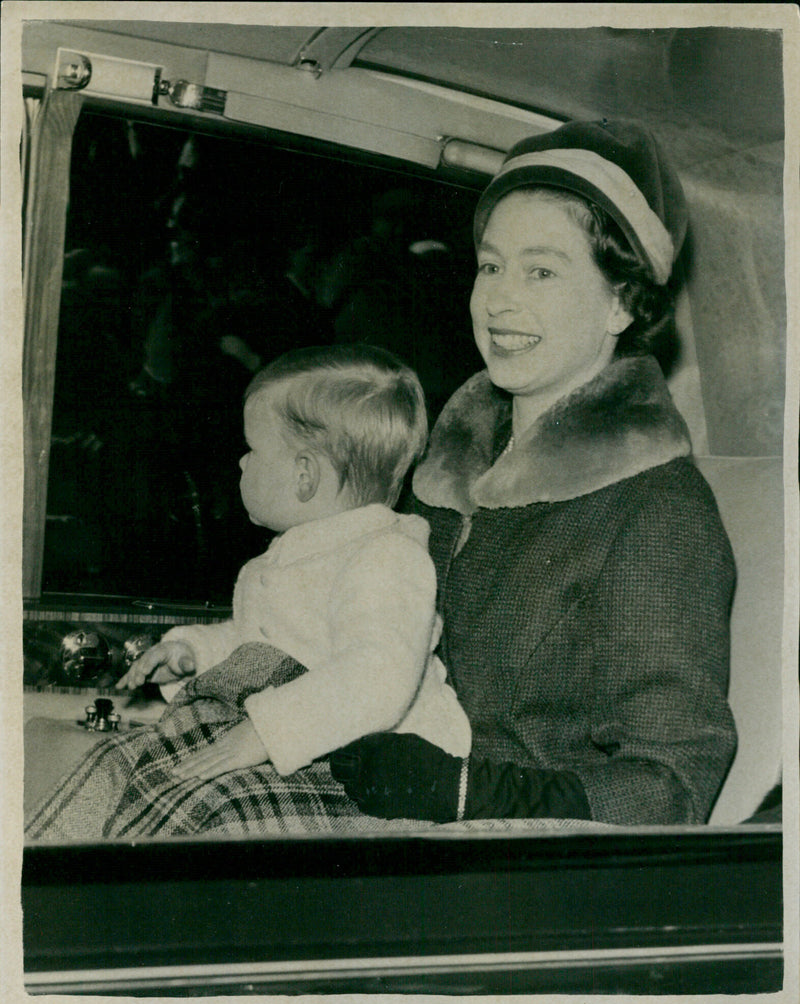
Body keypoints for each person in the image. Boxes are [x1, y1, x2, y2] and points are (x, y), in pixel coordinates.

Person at [329, 120, 738, 826]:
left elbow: (672, 783)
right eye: (490, 266)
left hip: (510, 871)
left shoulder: (656, 508)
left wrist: (470, 792)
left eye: (541, 271)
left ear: (622, 303)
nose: (498, 300)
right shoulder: (441, 477)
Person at [116, 344, 471, 778]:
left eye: (253, 448)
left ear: (305, 475)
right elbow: (272, 645)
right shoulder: (302, 553)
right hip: (312, 751)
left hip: (384, 771)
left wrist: (268, 733)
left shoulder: (387, 556)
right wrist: (195, 652)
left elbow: (376, 678)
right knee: (130, 767)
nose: (242, 461)